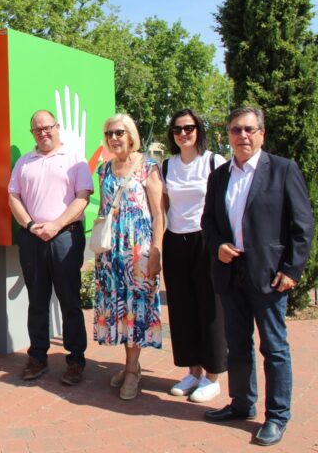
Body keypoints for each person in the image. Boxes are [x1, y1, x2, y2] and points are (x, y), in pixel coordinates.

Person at [201, 107, 314, 447]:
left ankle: (277, 416)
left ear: (262, 133)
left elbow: (302, 226)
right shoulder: (219, 176)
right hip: (230, 271)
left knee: (274, 347)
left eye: (250, 129)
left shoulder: (282, 169)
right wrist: (218, 244)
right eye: (236, 130)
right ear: (228, 135)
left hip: (268, 275)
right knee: (237, 344)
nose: (243, 136)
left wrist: (292, 270)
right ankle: (241, 403)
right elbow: (208, 222)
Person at [8, 110, 93, 384]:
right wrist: (32, 226)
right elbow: (14, 198)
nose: (43, 132)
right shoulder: (24, 162)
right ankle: (37, 358)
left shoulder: (74, 159)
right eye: (37, 129)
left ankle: (76, 360)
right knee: (37, 301)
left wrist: (56, 225)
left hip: (65, 236)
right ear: (32, 133)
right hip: (32, 238)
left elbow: (82, 198)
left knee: (70, 300)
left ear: (57, 127)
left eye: (48, 127)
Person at [93, 114, 163, 400]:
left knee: (136, 308)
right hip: (112, 253)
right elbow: (104, 209)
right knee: (120, 308)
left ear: (130, 134)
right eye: (109, 133)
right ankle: (130, 364)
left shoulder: (147, 166)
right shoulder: (104, 170)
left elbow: (159, 213)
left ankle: (133, 371)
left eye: (119, 132)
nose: (114, 138)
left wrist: (157, 251)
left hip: (138, 250)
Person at [162, 109, 228, 402]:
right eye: (177, 129)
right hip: (175, 241)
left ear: (198, 130)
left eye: (189, 128)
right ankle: (194, 372)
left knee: (210, 307)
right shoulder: (166, 166)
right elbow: (160, 207)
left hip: (205, 240)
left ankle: (213, 375)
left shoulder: (214, 161)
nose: (183, 133)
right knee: (182, 308)